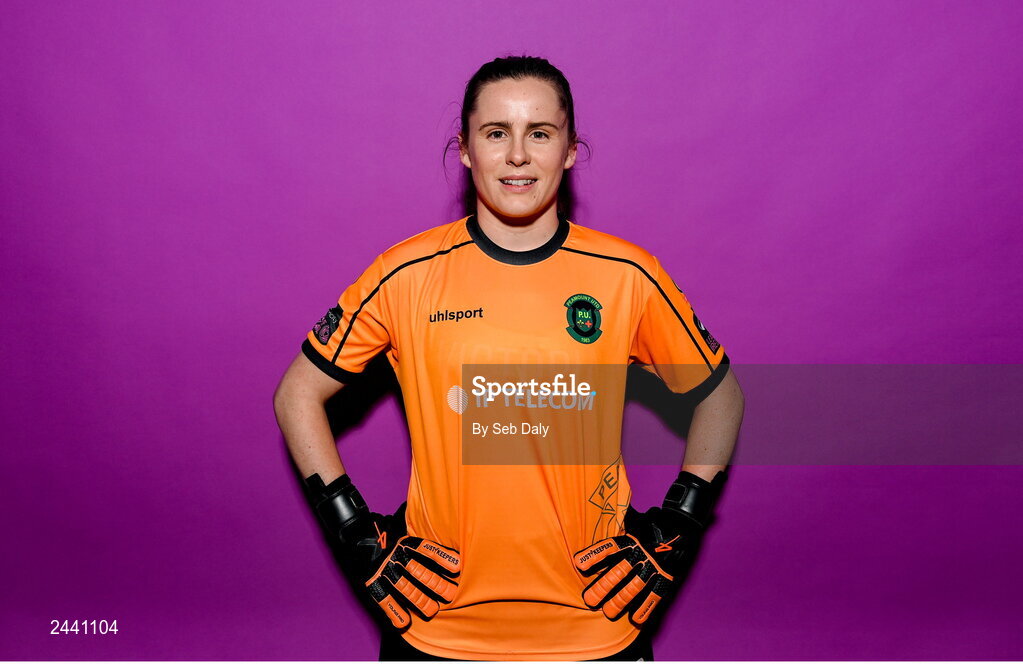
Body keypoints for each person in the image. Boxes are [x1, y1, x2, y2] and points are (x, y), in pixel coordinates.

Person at [273, 55, 745, 661]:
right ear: (466, 149)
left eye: (539, 134)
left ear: (571, 150)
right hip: (436, 627)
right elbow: (297, 394)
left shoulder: (627, 275)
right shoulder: (403, 275)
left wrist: (678, 525)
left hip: (596, 627)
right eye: (496, 133)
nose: (518, 155)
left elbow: (721, 395)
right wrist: (353, 530)